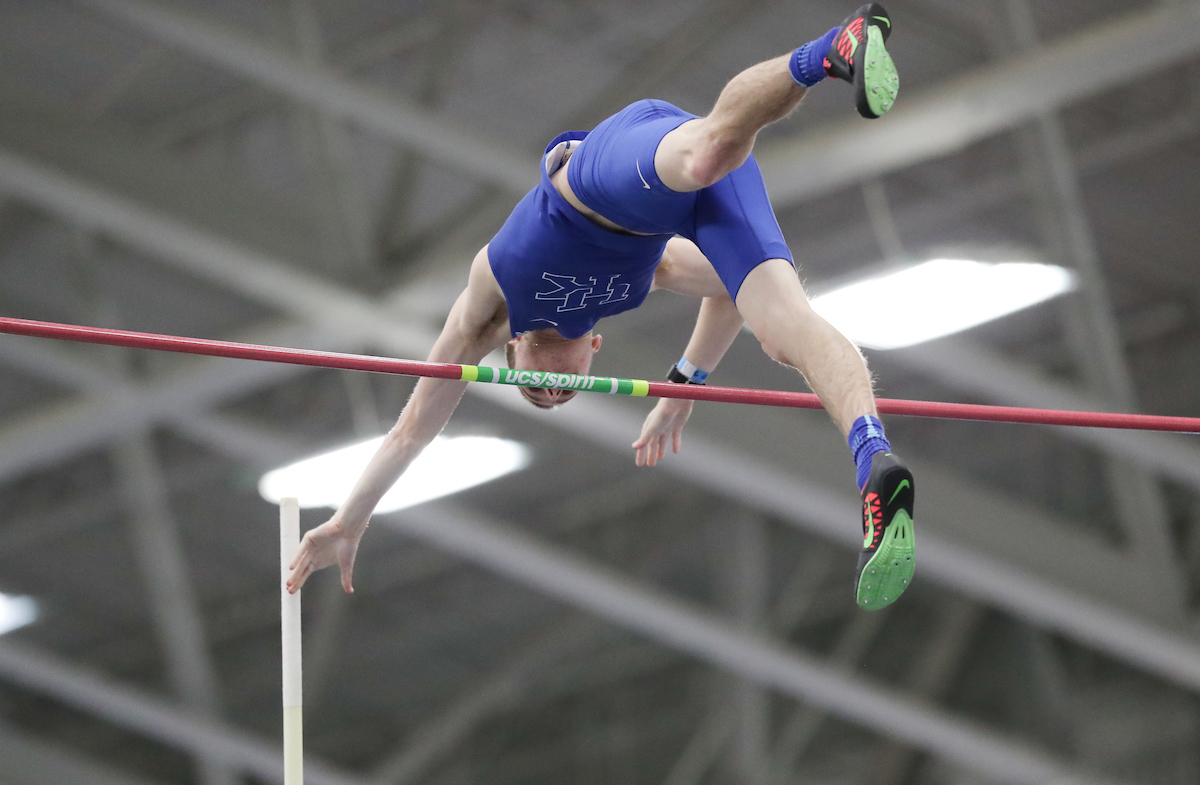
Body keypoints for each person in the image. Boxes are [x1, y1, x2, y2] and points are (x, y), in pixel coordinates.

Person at [287, 4, 915, 611]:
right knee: (785, 333)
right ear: (595, 350)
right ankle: (873, 463)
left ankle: (834, 47)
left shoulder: (489, 305)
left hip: (598, 177)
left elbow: (411, 428)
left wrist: (349, 519)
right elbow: (726, 291)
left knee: (705, 155)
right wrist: (684, 384)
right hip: (693, 210)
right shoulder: (646, 279)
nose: (551, 391)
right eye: (563, 395)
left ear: (511, 349)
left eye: (534, 389)